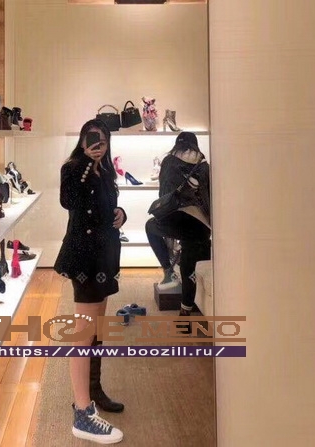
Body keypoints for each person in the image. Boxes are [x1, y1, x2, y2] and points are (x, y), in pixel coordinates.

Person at [54, 118, 127, 444]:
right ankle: (82, 413)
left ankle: (92, 391)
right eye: (92, 138)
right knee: (83, 336)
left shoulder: (106, 171)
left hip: (105, 257)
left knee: (97, 330)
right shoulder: (73, 168)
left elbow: (106, 207)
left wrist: (121, 214)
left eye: (103, 139)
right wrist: (86, 160)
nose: (99, 144)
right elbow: (69, 201)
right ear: (83, 141)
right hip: (84, 258)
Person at [145, 132, 211, 330]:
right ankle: (185, 314)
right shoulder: (205, 165)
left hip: (178, 221)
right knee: (190, 265)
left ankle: (168, 271)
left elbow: (164, 196)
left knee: (150, 226)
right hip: (202, 225)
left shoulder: (169, 161)